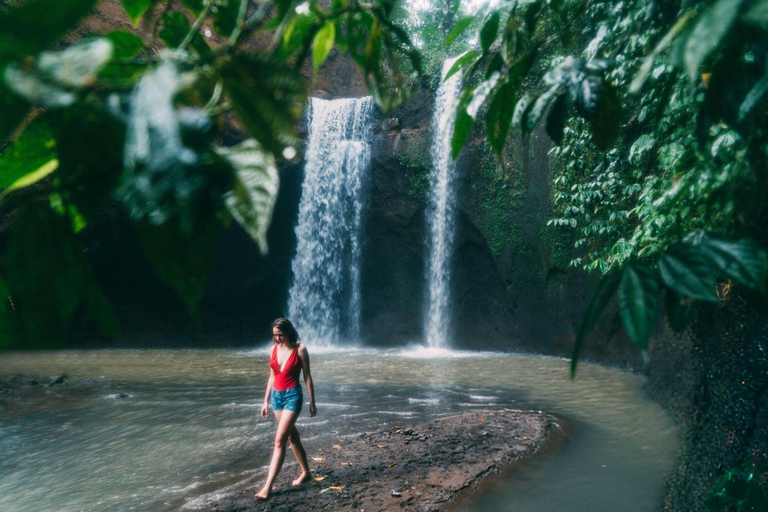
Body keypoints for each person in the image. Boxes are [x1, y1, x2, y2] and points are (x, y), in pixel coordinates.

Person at [255, 318, 317, 500]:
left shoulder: (300, 349)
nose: (277, 339)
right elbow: (272, 376)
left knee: (279, 440)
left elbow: (307, 376)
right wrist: (265, 401)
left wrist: (312, 401)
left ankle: (268, 487)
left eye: (280, 335)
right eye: (274, 335)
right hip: (276, 397)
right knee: (291, 436)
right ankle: (306, 472)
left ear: (289, 332)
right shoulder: (273, 349)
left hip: (293, 397)